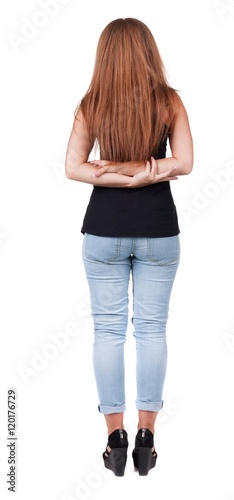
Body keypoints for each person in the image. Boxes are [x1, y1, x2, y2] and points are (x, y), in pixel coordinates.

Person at [65, 17, 193, 476]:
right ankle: (147, 437)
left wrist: (115, 170)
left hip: (103, 231)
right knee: (152, 330)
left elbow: (73, 168)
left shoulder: (92, 104)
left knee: (108, 332)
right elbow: (186, 162)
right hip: (159, 229)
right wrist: (146, 171)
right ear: (148, 51)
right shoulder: (169, 102)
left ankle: (114, 437)